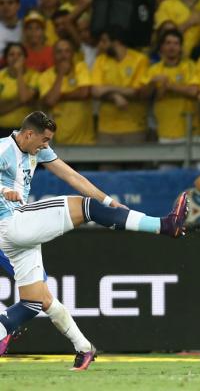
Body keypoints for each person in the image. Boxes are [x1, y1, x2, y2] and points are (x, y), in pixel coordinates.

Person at [0, 111, 188, 369]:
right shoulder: (3, 149)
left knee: (34, 301)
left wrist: (109, 202)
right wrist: (3, 190)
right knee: (86, 208)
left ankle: (83, 349)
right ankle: (165, 225)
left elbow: (73, 177)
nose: (46, 145)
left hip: (17, 239)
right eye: (44, 139)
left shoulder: (37, 151)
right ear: (29, 133)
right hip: (11, 223)